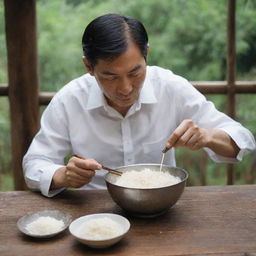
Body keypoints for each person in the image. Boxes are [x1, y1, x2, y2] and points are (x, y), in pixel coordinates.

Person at [23, 13, 256, 197]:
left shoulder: (170, 87)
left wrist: (208, 136)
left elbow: (242, 139)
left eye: (135, 72)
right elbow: (34, 163)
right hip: (93, 215)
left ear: (147, 55)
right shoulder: (70, 99)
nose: (125, 88)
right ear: (89, 67)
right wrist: (63, 175)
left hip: (162, 210)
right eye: (110, 76)